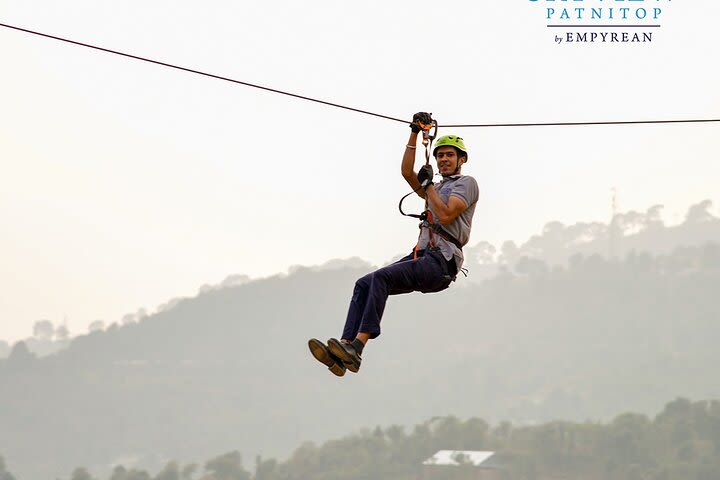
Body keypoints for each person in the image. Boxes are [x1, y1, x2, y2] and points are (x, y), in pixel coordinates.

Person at [308, 112, 479, 376]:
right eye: (440, 155)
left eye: (449, 155)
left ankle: (358, 347)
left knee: (382, 279)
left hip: (441, 262)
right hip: (422, 256)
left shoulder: (466, 184)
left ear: (461, 159)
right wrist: (413, 133)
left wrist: (428, 187)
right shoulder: (436, 186)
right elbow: (406, 172)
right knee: (364, 283)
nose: (444, 159)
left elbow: (446, 215)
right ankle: (343, 350)